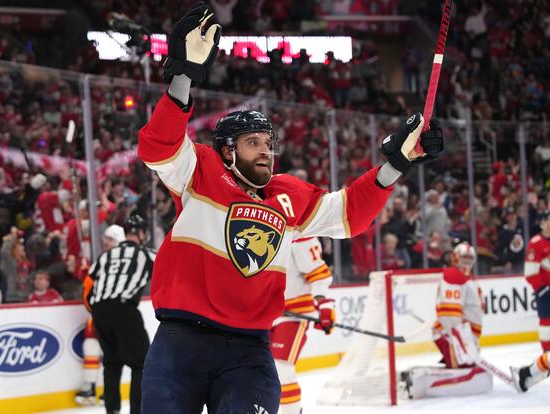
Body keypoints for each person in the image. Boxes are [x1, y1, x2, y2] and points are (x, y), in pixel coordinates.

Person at [136, 3, 444, 413]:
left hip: (248, 350)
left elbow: (349, 213)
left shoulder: (290, 195)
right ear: (227, 151)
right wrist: (182, 78)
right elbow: (158, 147)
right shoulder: (200, 172)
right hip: (181, 342)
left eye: (268, 144)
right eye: (253, 143)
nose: (266, 152)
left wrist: (396, 165)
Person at [400, 242, 492, 399]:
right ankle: (415, 383)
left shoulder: (469, 279)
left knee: (470, 366)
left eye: (470, 259)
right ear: (455, 258)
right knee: (466, 368)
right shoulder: (453, 275)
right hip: (453, 337)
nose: (467, 263)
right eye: (463, 259)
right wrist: (462, 343)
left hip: (462, 338)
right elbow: (449, 315)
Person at [83, 215, 153, 414]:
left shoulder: (106, 256)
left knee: (112, 363)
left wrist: (95, 310)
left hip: (99, 311)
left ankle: (111, 410)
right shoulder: (145, 253)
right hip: (124, 309)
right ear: (140, 233)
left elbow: (88, 286)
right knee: (141, 364)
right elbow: (168, 270)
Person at [270, 236, 333, 413]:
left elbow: (318, 275)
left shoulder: (300, 235)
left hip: (293, 315)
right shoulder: (259, 224)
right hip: (264, 315)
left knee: (281, 368)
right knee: (257, 369)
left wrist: (323, 304)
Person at [76, 224, 126, 406]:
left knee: (112, 352)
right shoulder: (101, 260)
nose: (106, 242)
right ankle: (89, 385)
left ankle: (109, 389)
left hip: (120, 314)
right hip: (101, 313)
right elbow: (88, 287)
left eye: (110, 239)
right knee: (91, 344)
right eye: (106, 238)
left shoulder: (124, 260)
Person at [523, 210, 550, 353]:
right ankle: (547, 356)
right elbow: (530, 273)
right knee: (547, 322)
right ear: (543, 223)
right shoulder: (536, 243)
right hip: (545, 291)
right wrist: (542, 289)